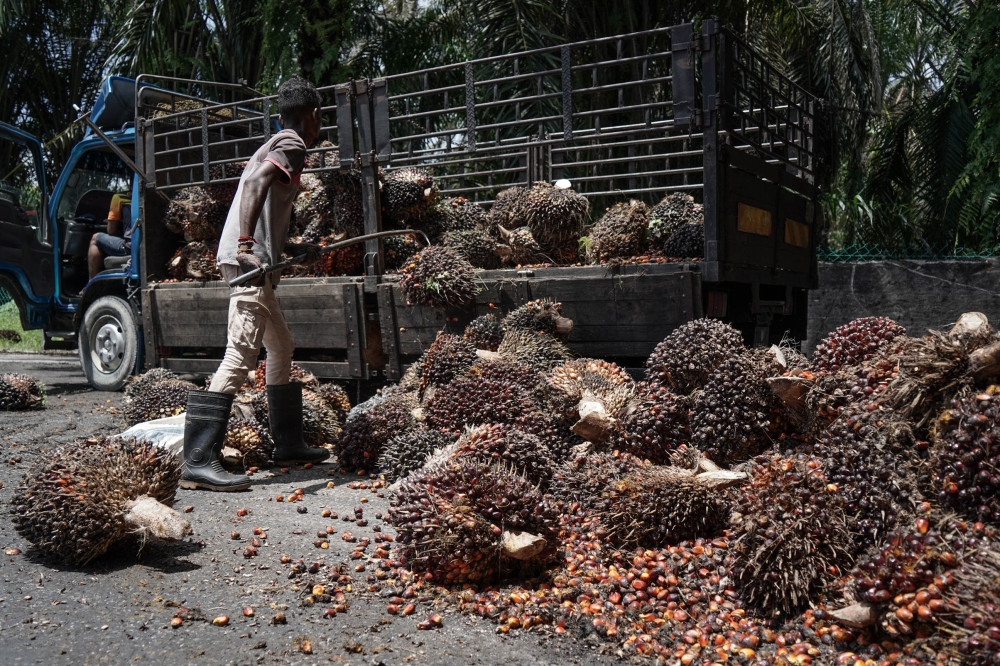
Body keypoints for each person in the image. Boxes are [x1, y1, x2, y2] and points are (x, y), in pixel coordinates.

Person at [180, 77, 330, 492]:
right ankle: (197, 459)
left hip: (257, 264)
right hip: (249, 265)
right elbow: (252, 185)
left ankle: (287, 443)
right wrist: (248, 245)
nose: (321, 127)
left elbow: (268, 206)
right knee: (239, 356)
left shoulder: (275, 142)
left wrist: (296, 245)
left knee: (281, 346)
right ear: (311, 116)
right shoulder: (292, 144)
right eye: (321, 118)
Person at [87, 193, 131, 280]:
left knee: (95, 238)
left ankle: (91, 282)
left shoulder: (120, 197)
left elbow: (111, 230)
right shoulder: (151, 196)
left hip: (130, 247)